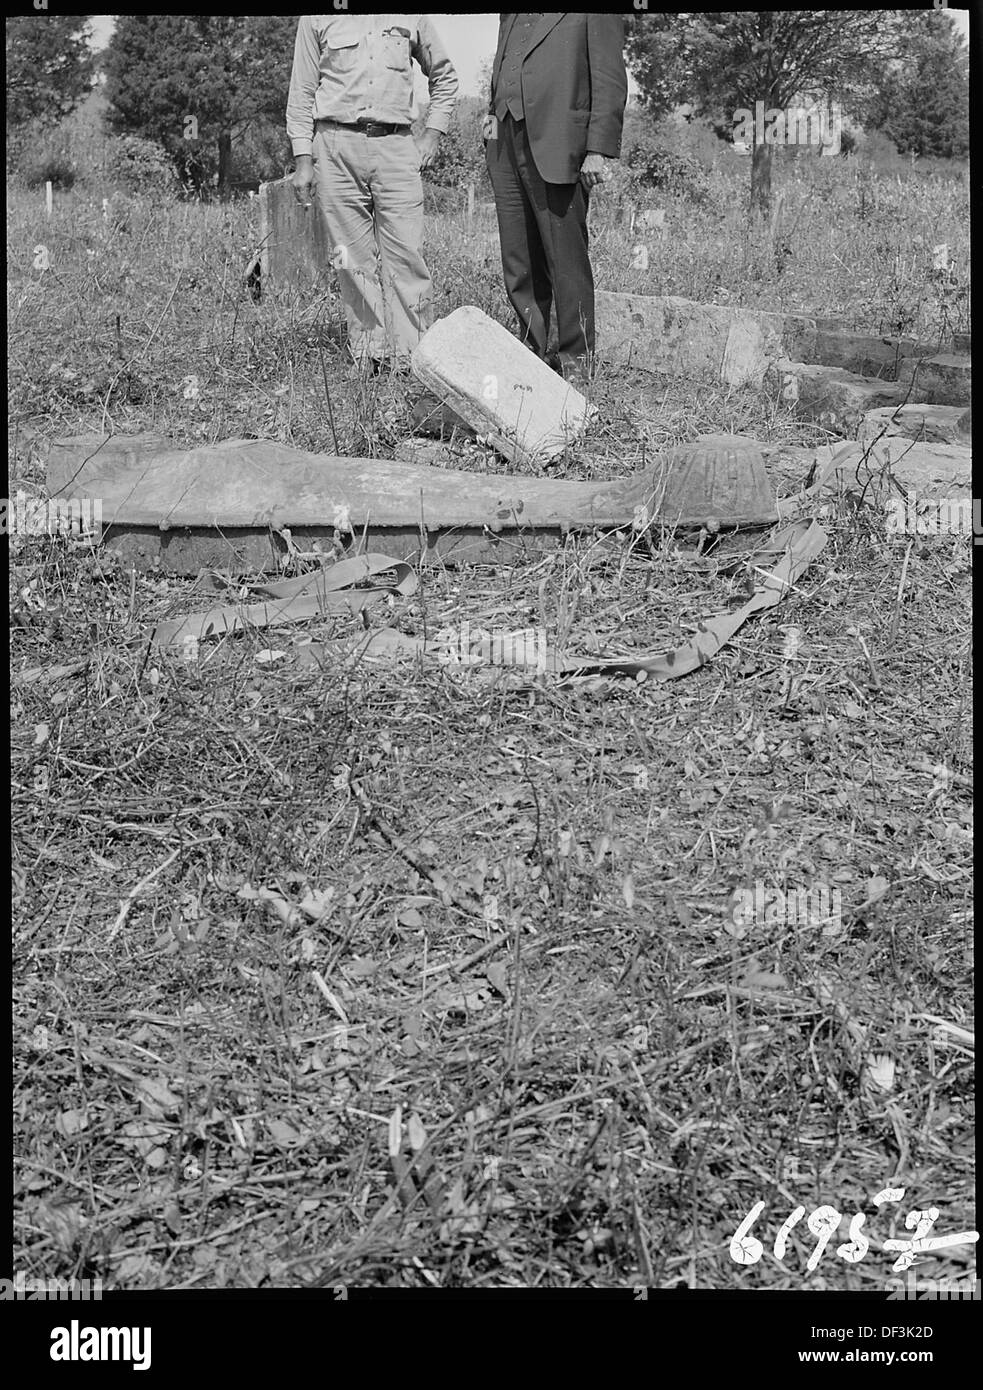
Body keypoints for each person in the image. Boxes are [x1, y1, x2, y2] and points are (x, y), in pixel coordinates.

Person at [287, 14, 458, 371]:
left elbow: (444, 76)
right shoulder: (316, 18)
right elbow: (302, 90)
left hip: (396, 144)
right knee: (349, 256)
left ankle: (412, 355)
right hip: (335, 145)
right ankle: (369, 351)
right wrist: (304, 158)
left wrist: (432, 134)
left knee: (407, 253)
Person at [484, 14, 627, 389]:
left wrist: (597, 149)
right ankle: (531, 354)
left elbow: (610, 77)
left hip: (560, 145)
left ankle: (576, 365)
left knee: (566, 263)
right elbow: (504, 66)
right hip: (504, 138)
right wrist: (490, 120)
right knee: (519, 261)